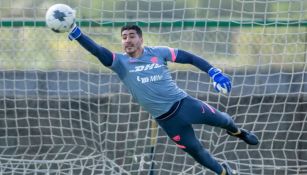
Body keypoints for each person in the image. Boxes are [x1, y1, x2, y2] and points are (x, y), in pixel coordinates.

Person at [67, 24, 259, 175]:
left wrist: (213, 71)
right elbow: (98, 50)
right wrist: (78, 35)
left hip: (185, 105)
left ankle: (237, 132)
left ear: (141, 38)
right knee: (198, 153)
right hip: (167, 121)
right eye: (124, 37)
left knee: (224, 120)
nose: (128, 40)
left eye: (132, 36)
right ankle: (225, 172)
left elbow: (189, 57)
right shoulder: (119, 62)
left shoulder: (158, 52)